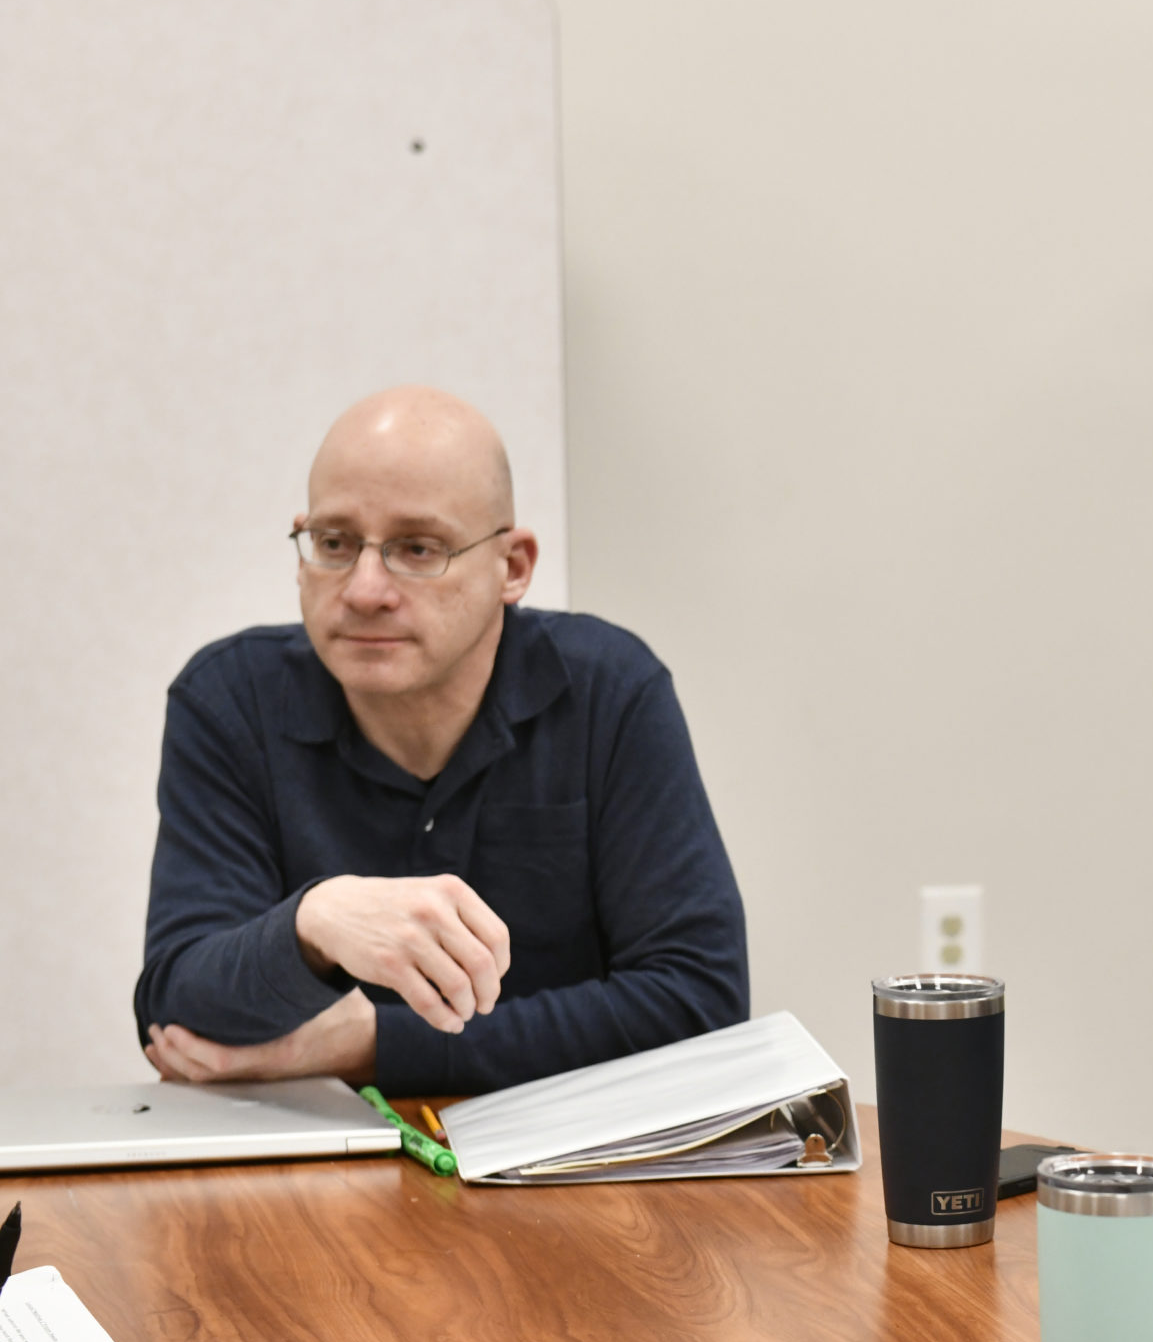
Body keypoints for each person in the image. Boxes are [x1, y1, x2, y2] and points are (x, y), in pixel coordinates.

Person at [133, 387, 748, 1097]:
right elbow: (177, 1010)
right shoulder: (228, 700)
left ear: (512, 567)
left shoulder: (610, 693)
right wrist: (316, 920)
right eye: (334, 544)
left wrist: (375, 1045)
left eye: (417, 549)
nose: (365, 590)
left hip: (572, 1177)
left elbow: (701, 1006)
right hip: (306, 1176)